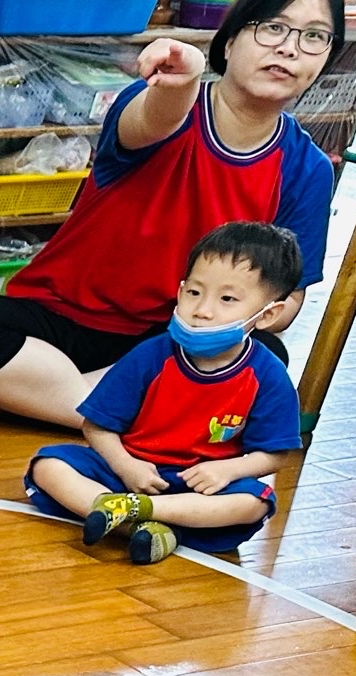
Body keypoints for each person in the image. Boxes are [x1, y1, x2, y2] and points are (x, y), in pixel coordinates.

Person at [0, 0, 341, 428]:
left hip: (174, 338)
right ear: (228, 42)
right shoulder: (163, 101)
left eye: (314, 37)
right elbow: (154, 119)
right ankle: (112, 410)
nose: (289, 48)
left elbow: (286, 301)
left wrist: (226, 311)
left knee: (266, 358)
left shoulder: (307, 168)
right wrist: (184, 81)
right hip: (65, 318)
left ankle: (40, 397)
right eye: (273, 28)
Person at [26, 222, 303, 565]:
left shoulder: (268, 376)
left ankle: (140, 514)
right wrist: (126, 466)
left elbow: (274, 454)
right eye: (194, 293)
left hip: (201, 488)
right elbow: (96, 426)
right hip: (129, 473)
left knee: (253, 502)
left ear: (269, 314)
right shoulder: (151, 355)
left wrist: (228, 471)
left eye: (227, 299)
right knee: (49, 465)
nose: (202, 310)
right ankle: (154, 527)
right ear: (181, 290)